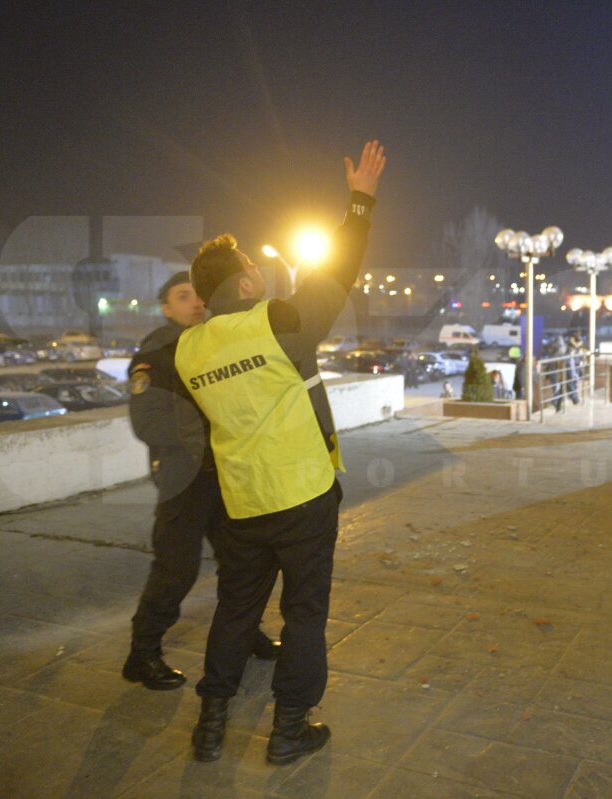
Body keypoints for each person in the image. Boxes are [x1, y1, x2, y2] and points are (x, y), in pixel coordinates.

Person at [175, 140, 385, 765]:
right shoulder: (276, 321)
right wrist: (360, 203)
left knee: (236, 610)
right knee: (304, 614)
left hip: (242, 502)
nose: (257, 268)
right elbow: (336, 275)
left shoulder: (189, 348)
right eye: (250, 263)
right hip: (301, 495)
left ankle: (211, 724)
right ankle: (290, 729)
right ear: (246, 280)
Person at [123, 272, 281, 691]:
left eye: (198, 295)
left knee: (243, 562)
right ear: (165, 307)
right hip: (184, 480)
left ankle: (245, 633)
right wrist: (212, 431)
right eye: (182, 296)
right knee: (176, 569)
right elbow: (147, 423)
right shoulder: (155, 355)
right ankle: (142, 653)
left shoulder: (216, 342)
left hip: (226, 475)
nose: (195, 302)